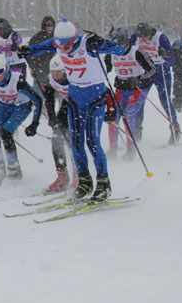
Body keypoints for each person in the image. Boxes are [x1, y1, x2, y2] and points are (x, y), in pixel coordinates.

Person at [18, 18, 128, 201]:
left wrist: (101, 42)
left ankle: (103, 183)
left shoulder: (88, 43)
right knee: (76, 143)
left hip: (95, 97)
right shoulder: (59, 43)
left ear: (74, 39)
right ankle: (84, 182)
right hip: (75, 97)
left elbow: (119, 50)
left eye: (68, 46)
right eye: (61, 47)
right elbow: (43, 47)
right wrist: (28, 50)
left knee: (92, 142)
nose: (65, 50)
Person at [0, 53, 43, 184]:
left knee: (6, 133)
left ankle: (14, 170)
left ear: (6, 69)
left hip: (21, 107)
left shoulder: (18, 82)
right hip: (4, 106)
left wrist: (34, 123)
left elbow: (38, 99)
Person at [107, 27, 156, 159]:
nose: (120, 47)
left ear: (127, 42)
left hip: (137, 90)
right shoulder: (111, 52)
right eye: (117, 44)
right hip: (121, 89)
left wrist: (140, 80)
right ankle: (112, 149)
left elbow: (152, 69)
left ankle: (131, 150)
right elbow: (105, 68)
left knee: (127, 117)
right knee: (113, 117)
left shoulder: (137, 52)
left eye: (122, 44)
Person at [130, 22, 182, 144]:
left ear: (150, 33)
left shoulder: (160, 37)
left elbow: (171, 56)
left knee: (165, 100)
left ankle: (175, 128)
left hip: (160, 72)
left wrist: (166, 59)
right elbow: (128, 50)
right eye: (140, 37)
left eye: (145, 37)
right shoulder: (134, 37)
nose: (142, 39)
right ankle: (137, 130)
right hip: (145, 72)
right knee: (139, 101)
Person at [41, 55, 76, 192]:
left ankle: (78, 174)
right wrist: (52, 117)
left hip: (78, 107)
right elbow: (48, 100)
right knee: (56, 138)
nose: (55, 75)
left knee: (72, 141)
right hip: (65, 106)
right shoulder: (49, 80)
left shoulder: (73, 79)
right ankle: (62, 176)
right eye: (53, 71)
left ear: (65, 71)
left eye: (59, 72)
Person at [27, 16, 56, 88]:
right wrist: (34, 69)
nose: (49, 28)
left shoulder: (56, 37)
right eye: (47, 26)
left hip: (54, 69)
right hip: (40, 69)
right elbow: (30, 55)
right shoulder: (36, 38)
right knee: (40, 91)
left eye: (51, 26)